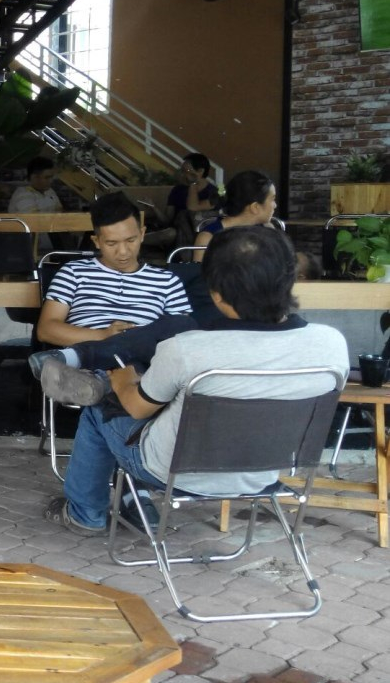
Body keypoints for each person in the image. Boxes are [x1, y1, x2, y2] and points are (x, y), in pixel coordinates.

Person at [44, 224, 348, 536]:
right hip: (264, 475)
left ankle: (86, 515)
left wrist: (121, 381)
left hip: (173, 474)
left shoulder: (187, 349)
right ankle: (132, 499)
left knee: (102, 409)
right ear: (291, 281)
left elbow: (136, 408)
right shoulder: (331, 344)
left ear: (216, 293)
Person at [29, 192, 191, 397]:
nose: (123, 252)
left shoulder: (167, 281)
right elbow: (46, 330)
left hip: (148, 366)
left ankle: (97, 379)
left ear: (142, 233)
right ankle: (106, 381)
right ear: (96, 241)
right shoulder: (73, 273)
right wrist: (102, 336)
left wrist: (134, 339)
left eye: (131, 240)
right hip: (127, 378)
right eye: (112, 243)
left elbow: (182, 339)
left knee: (184, 325)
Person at [193, 170, 277, 251]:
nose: (275, 205)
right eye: (272, 199)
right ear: (255, 207)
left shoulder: (267, 229)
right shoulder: (207, 238)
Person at [8, 155, 63, 254]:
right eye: (47, 177)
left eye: (51, 177)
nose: (51, 180)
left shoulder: (50, 191)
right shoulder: (22, 194)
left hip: (52, 243)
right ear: (34, 177)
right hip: (29, 249)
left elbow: (61, 213)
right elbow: (35, 221)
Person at [162, 152, 221, 244]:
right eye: (182, 171)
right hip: (177, 231)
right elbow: (168, 219)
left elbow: (192, 207)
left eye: (187, 171)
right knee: (170, 233)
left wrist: (193, 183)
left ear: (200, 171)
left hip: (201, 235)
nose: (182, 175)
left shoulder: (214, 192)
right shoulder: (177, 190)